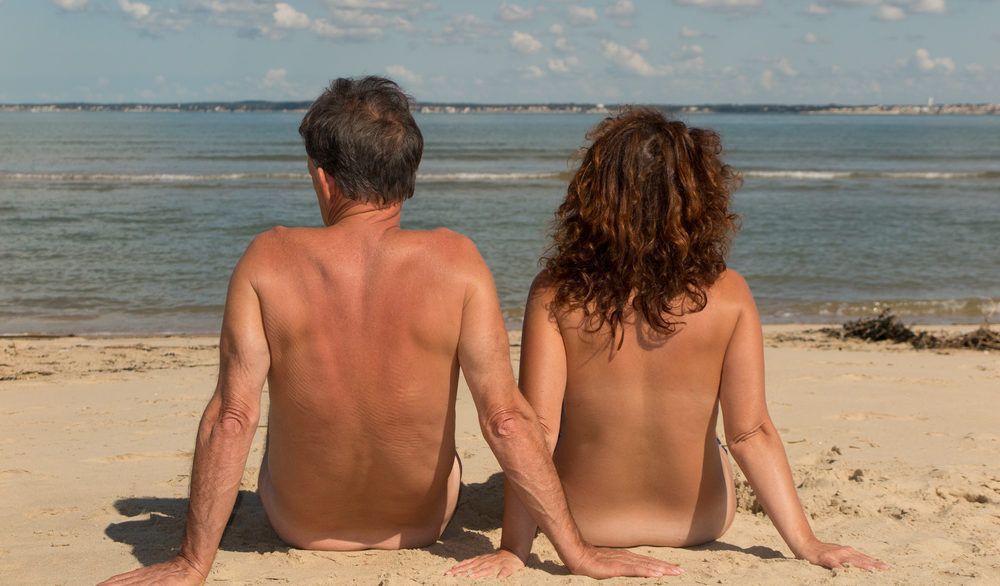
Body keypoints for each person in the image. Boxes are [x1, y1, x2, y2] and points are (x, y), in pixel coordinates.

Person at [100, 79, 681, 585]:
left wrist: (192, 563)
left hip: (299, 524)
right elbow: (505, 419)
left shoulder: (268, 260)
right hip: (422, 525)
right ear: (406, 179)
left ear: (325, 180)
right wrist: (575, 552)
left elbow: (233, 416)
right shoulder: (456, 262)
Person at [448, 108, 890, 579]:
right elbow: (750, 433)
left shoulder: (557, 293)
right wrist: (806, 542)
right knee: (721, 437)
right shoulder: (729, 293)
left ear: (594, 195)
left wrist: (515, 548)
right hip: (697, 522)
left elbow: (540, 431)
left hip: (588, 520)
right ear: (699, 198)